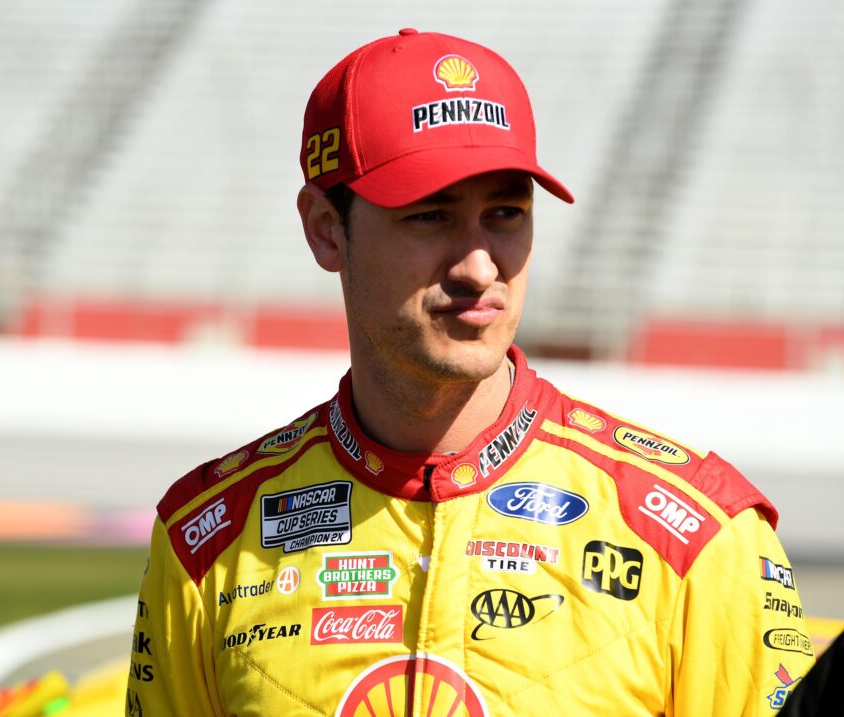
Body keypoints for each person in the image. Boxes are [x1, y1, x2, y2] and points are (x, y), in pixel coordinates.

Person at [126, 29, 814, 716]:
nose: (480, 268)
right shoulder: (205, 542)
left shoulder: (697, 536)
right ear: (327, 230)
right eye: (430, 216)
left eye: (506, 214)